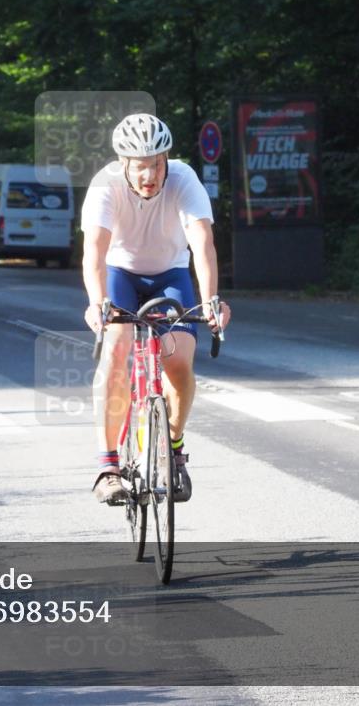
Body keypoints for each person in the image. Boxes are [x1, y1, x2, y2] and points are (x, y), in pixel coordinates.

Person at [81, 114, 231, 503]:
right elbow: (94, 253)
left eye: (156, 164)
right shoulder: (105, 185)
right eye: (140, 167)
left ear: (168, 158)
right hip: (121, 274)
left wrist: (211, 300)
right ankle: (108, 466)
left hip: (170, 274)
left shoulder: (183, 179)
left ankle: (174, 448)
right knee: (115, 349)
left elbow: (203, 244)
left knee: (180, 359)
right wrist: (97, 304)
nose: (149, 175)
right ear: (123, 165)